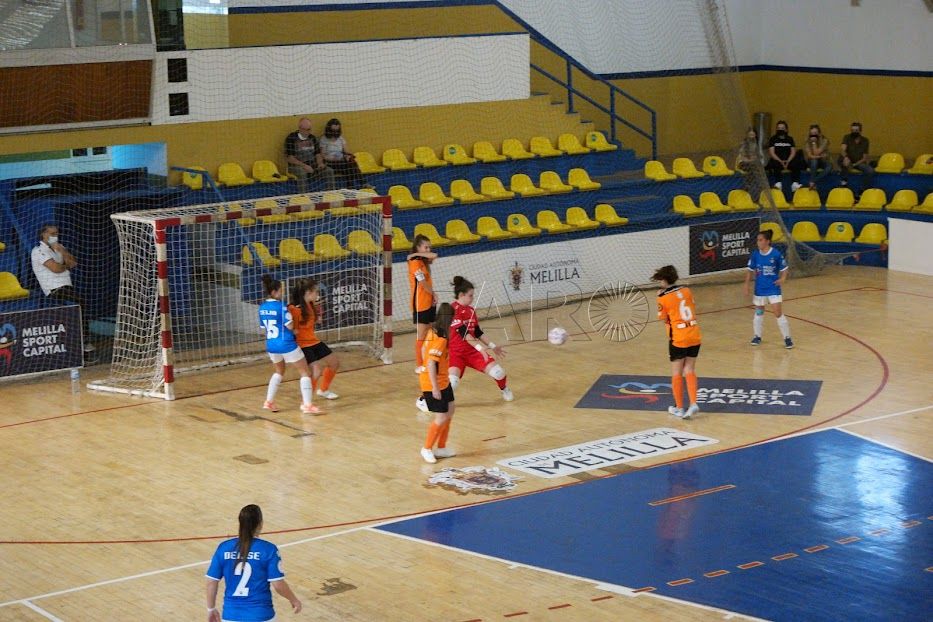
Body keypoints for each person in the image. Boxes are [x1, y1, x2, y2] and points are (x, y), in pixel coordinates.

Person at [205, 504, 302, 622]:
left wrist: (211, 609)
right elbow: (278, 584)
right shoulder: (268, 549)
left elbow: (211, 582)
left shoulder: (224, 548)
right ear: (260, 523)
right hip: (261, 615)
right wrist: (293, 600)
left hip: (231, 615)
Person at [443, 276, 513, 401]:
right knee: (452, 383)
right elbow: (464, 333)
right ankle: (430, 401)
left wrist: (493, 346)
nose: (472, 298)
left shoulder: (471, 310)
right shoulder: (451, 309)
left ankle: (504, 389)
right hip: (457, 354)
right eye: (470, 295)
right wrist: (481, 349)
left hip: (472, 352)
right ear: (461, 295)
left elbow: (477, 332)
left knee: (499, 373)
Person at [258, 275, 319, 414]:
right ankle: (307, 405)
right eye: (280, 290)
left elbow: (264, 327)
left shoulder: (262, 308)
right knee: (305, 372)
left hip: (271, 345)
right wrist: (296, 329)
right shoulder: (282, 308)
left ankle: (269, 402)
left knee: (279, 371)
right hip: (286, 344)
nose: (282, 293)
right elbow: (291, 326)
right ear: (274, 292)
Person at [30, 224, 94, 353]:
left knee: (82, 303)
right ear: (44, 234)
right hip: (53, 288)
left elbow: (73, 263)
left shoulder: (60, 247)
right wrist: (65, 265)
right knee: (79, 303)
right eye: (51, 234)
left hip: (67, 286)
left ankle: (83, 340)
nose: (54, 236)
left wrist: (61, 251)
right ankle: (83, 342)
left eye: (56, 234)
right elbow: (56, 268)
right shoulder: (38, 251)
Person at [652, 265, 701, 420]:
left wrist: (659, 298)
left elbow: (663, 318)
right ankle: (693, 403)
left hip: (678, 337)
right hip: (694, 334)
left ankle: (679, 408)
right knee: (690, 369)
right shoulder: (686, 290)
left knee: (676, 372)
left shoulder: (663, 297)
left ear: (664, 280)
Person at [289, 277, 341, 400]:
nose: (318, 294)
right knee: (316, 370)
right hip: (301, 344)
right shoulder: (294, 309)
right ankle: (307, 401)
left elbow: (316, 321)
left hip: (313, 341)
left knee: (334, 363)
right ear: (308, 292)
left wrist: (318, 316)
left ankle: (323, 390)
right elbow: (291, 329)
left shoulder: (311, 304)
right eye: (316, 292)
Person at [419, 302, 456, 464]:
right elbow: (431, 363)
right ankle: (426, 448)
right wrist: (434, 387)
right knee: (441, 417)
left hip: (443, 380)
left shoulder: (432, 331)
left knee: (450, 410)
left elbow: (423, 351)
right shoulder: (440, 338)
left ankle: (441, 447)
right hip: (433, 383)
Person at [744, 230, 794, 349]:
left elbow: (784, 268)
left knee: (777, 313)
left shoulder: (775, 254)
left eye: (760, 240)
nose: (758, 242)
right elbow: (750, 270)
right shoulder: (756, 254)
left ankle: (787, 338)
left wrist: (783, 278)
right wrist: (746, 284)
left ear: (767, 241)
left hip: (773, 288)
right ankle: (757, 336)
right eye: (757, 240)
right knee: (759, 312)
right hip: (760, 289)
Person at [408, 234, 437, 374]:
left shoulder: (423, 260)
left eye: (429, 246)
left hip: (429, 301)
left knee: (430, 332)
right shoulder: (414, 262)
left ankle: (429, 359)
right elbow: (423, 283)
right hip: (420, 303)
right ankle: (419, 365)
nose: (428, 249)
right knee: (421, 334)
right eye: (425, 246)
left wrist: (433, 295)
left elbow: (434, 255)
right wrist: (433, 294)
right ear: (418, 247)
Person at [284, 117, 336, 193]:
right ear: (300, 128)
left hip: (312, 164)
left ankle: (331, 195)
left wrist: (320, 163)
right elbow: (290, 158)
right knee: (302, 173)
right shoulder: (291, 138)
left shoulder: (312, 138)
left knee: (329, 171)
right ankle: (304, 196)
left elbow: (317, 154)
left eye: (310, 129)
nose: (308, 132)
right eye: (306, 130)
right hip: (296, 166)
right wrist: (304, 166)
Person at [318, 118, 368, 190]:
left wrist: (347, 156)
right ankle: (360, 184)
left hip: (341, 161)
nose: (335, 132)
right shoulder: (323, 139)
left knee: (350, 163)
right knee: (350, 165)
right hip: (331, 162)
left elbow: (347, 151)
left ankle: (352, 187)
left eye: (337, 130)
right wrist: (332, 158)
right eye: (333, 130)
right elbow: (323, 155)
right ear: (329, 130)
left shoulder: (340, 138)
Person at [765, 120, 804, 192]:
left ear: (786, 129)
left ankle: (795, 184)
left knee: (796, 161)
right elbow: (772, 152)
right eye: (779, 128)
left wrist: (788, 161)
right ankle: (778, 183)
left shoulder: (790, 139)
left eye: (782, 128)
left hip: (788, 160)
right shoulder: (773, 139)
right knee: (774, 162)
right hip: (777, 159)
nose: (780, 130)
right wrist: (780, 161)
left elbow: (793, 152)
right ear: (776, 129)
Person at [838, 121, 874, 198]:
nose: (854, 132)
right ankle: (844, 183)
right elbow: (843, 150)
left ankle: (862, 190)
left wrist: (854, 164)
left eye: (856, 130)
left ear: (860, 131)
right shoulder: (846, 137)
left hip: (858, 162)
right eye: (852, 130)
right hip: (847, 159)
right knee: (844, 162)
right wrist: (846, 157)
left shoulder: (865, 141)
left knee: (870, 170)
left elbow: (864, 157)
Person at [803, 124, 832, 190]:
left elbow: (817, 153)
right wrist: (813, 143)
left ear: (819, 133)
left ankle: (812, 181)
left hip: (823, 161)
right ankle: (813, 182)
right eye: (812, 133)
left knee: (829, 167)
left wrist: (817, 155)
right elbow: (810, 155)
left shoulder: (824, 140)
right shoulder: (807, 141)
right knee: (814, 161)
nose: (813, 135)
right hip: (812, 161)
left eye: (815, 133)